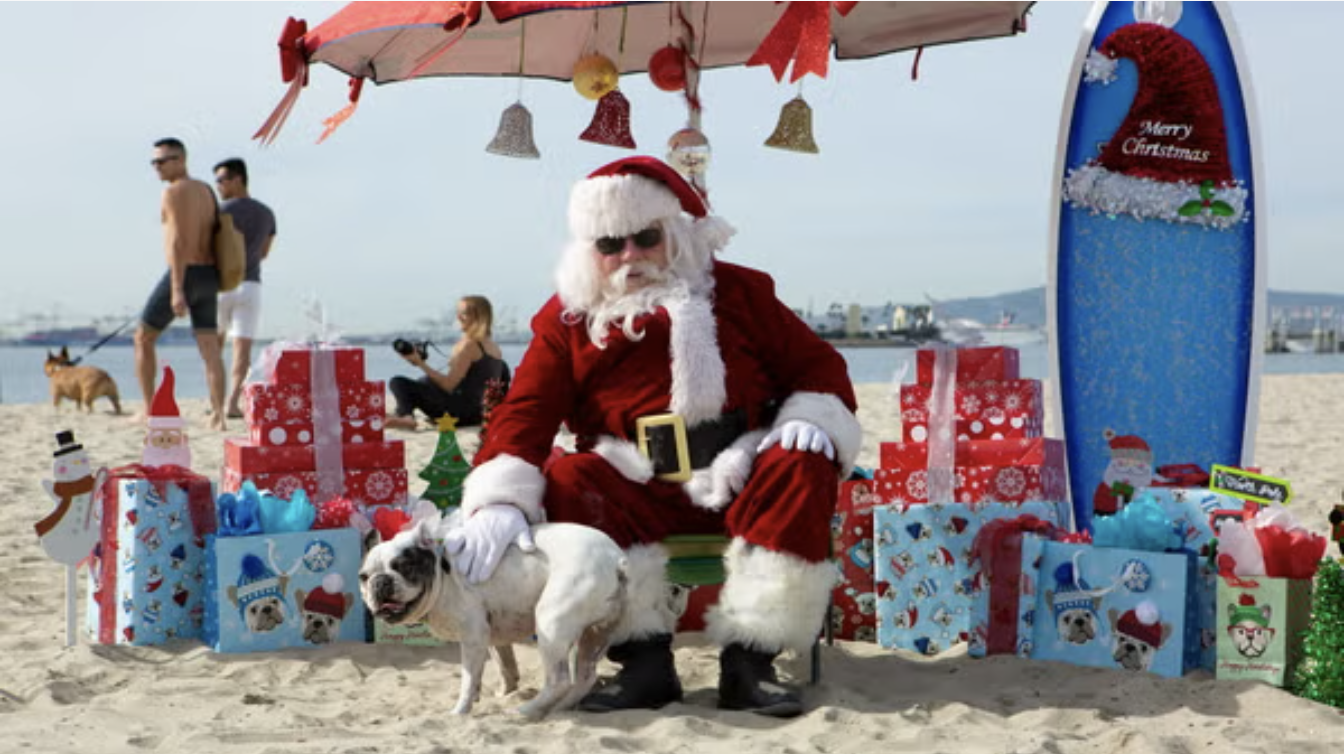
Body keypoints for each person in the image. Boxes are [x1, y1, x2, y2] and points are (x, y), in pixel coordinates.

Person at [445, 156, 861, 718]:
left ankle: (751, 664)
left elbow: (818, 365)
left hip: (741, 477)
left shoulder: (740, 294)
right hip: (634, 487)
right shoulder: (567, 320)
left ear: (676, 235)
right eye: (610, 244)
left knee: (801, 460)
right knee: (569, 475)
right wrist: (498, 499)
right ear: (591, 251)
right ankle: (641, 664)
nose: (629, 257)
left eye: (646, 238)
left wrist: (811, 416)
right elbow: (526, 412)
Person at [134, 138, 227, 430]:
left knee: (143, 337)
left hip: (184, 273)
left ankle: (149, 410)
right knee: (210, 348)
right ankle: (218, 415)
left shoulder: (173, 192)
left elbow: (176, 242)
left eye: (162, 161)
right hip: (209, 274)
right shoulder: (206, 191)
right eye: (154, 162)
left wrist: (176, 288)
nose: (156, 168)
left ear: (181, 160)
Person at [385, 295, 511, 430]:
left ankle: (407, 417)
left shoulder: (467, 346)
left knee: (398, 382)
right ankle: (402, 412)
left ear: (478, 317)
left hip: (458, 415)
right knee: (426, 381)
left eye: (463, 314)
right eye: (458, 313)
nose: (458, 317)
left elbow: (449, 385)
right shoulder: (494, 347)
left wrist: (420, 364)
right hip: (479, 415)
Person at [213, 158, 277, 419]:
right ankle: (231, 404)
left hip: (220, 285)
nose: (217, 186)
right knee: (242, 350)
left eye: (221, 180)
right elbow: (264, 253)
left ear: (237, 179)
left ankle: (216, 404)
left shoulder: (217, 211)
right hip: (250, 284)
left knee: (213, 348)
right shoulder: (266, 213)